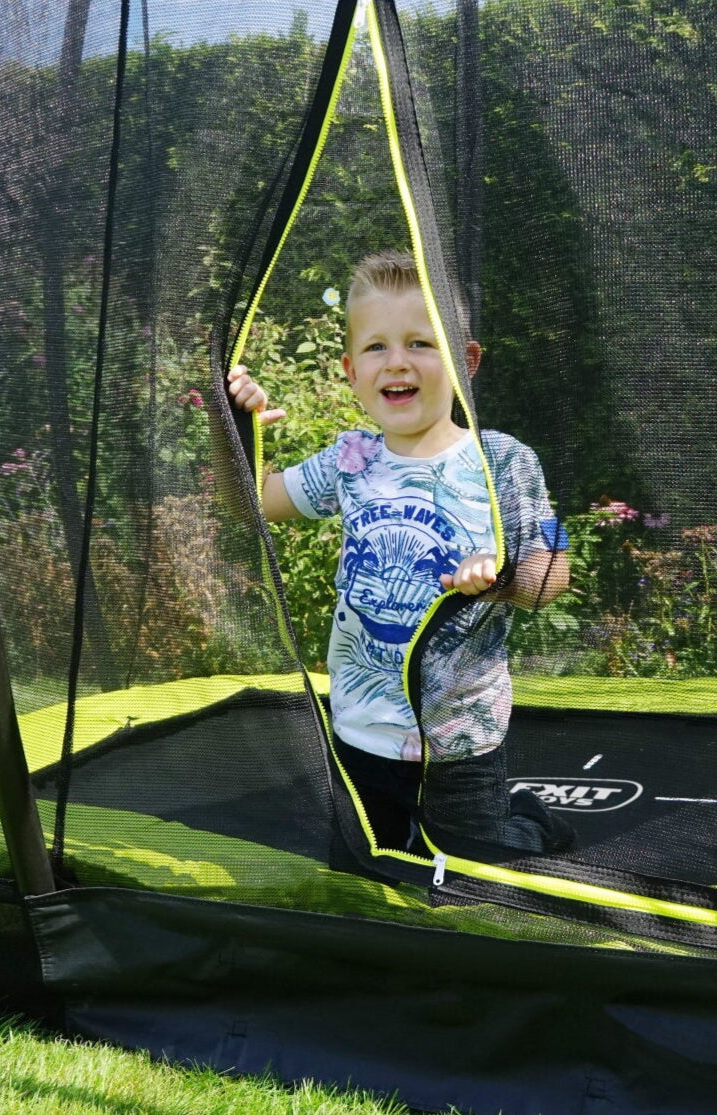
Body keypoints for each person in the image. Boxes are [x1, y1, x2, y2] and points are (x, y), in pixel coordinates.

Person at [228, 250, 574, 859]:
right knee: (367, 866)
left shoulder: (506, 463)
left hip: (460, 733)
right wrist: (235, 429)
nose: (398, 362)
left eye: (421, 342)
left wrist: (503, 580)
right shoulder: (351, 459)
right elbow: (256, 502)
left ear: (466, 362)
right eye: (376, 347)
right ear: (351, 373)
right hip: (361, 725)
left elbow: (555, 573)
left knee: (477, 872)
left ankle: (528, 821)